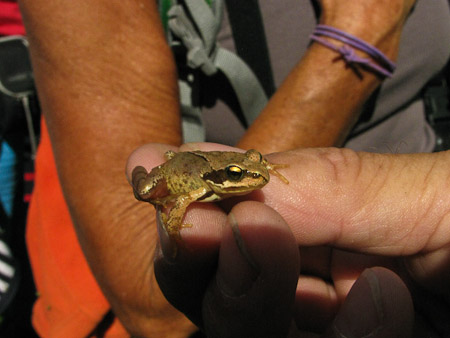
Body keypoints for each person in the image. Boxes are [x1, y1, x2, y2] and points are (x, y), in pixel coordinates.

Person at [16, 0, 450, 336]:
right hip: (200, 195)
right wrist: (360, 35)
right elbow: (150, 297)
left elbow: (251, 168)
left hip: (417, 271)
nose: (255, 180)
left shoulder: (247, 175)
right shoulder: (208, 191)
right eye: (244, 180)